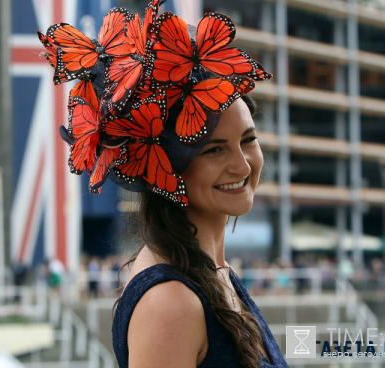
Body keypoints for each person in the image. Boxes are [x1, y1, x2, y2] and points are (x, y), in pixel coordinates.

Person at [39, 1, 287, 367]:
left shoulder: (215, 273)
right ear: (169, 165)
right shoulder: (170, 302)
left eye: (248, 140)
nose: (242, 164)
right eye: (214, 150)